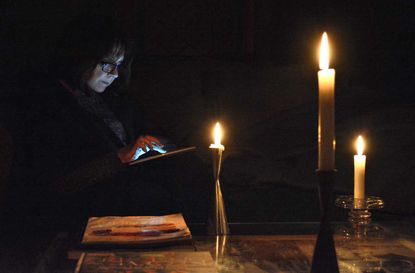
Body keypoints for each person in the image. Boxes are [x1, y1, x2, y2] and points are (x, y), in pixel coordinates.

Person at [5, 15, 184, 231]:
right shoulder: (46, 104)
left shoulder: (112, 99)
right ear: (81, 57)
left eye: (119, 65)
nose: (116, 74)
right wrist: (120, 157)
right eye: (108, 65)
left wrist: (157, 144)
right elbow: (53, 181)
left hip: (130, 191)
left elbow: (158, 134)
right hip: (82, 207)